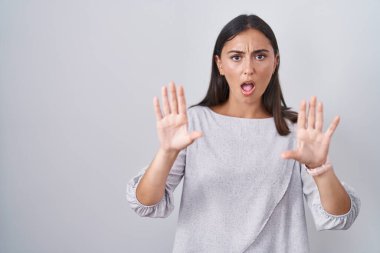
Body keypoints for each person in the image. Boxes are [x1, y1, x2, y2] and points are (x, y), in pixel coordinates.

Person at [126, 14, 360, 253]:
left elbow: (339, 217)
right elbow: (146, 203)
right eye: (236, 57)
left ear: (275, 61)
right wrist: (166, 153)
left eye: (260, 56)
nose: (248, 69)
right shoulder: (193, 123)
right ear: (220, 64)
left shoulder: (296, 131)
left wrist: (320, 168)